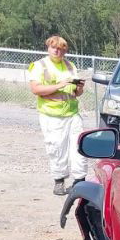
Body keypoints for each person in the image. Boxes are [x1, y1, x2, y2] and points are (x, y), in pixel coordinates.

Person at [28, 35, 87, 195]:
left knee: (79, 146)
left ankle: (80, 181)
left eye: (60, 48)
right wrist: (59, 85)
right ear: (48, 47)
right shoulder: (40, 66)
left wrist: (79, 87)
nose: (57, 50)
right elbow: (36, 89)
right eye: (54, 47)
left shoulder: (70, 66)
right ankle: (59, 180)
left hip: (72, 113)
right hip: (51, 115)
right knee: (56, 148)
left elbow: (76, 93)